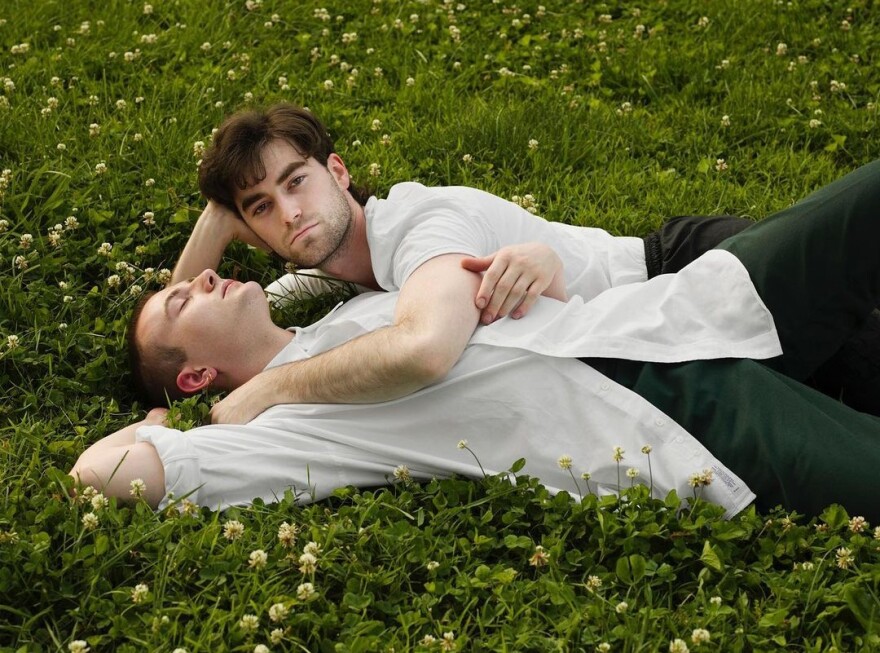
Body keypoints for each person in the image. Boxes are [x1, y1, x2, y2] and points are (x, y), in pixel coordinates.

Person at [167, 103, 879, 423]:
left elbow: (424, 348)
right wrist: (221, 212)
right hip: (652, 350)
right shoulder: (320, 272)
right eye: (261, 208)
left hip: (684, 274)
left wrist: (272, 388)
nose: (290, 213)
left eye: (296, 181)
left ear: (339, 171)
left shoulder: (418, 226)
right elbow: (173, 320)